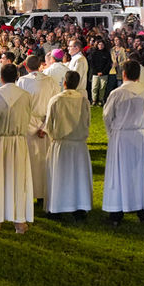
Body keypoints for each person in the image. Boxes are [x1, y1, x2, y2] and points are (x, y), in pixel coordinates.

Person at [102, 60, 144, 227]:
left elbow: (107, 116)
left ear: (124, 74)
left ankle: (116, 214)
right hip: (139, 136)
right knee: (140, 173)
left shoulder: (117, 93)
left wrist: (112, 133)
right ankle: (142, 211)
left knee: (119, 174)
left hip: (121, 136)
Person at [0, 64, 34, 234]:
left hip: (0, 141)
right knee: (18, 179)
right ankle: (19, 221)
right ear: (17, 76)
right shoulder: (26, 96)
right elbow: (28, 117)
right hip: (18, 141)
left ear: (1, 77)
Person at [44, 70, 93, 220]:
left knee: (60, 176)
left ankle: (57, 208)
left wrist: (52, 137)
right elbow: (87, 122)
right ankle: (79, 207)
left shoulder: (56, 100)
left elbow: (49, 124)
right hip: (78, 144)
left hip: (61, 143)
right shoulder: (84, 100)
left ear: (64, 82)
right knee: (78, 177)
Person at [17, 54, 56, 206]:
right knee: (42, 160)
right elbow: (54, 105)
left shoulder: (22, 81)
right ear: (40, 65)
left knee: (31, 161)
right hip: (42, 121)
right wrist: (45, 126)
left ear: (26, 67)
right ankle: (41, 194)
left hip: (29, 123)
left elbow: (20, 104)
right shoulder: (50, 81)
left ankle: (32, 193)